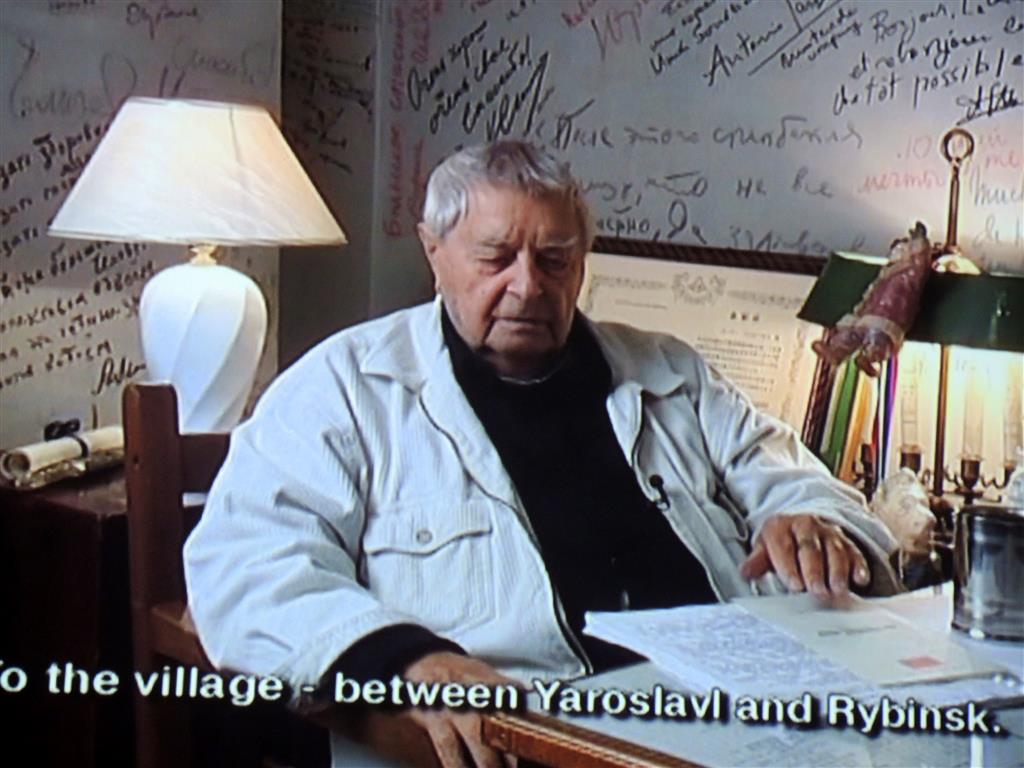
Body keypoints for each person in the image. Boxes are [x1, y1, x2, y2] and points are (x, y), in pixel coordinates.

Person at [184, 140, 899, 767]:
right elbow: (246, 567)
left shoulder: (670, 373)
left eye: (555, 260)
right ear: (434, 251)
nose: (528, 286)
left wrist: (812, 521)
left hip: (738, 721)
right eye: (495, 257)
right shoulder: (345, 388)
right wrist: (405, 660)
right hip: (530, 738)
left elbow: (799, 482)